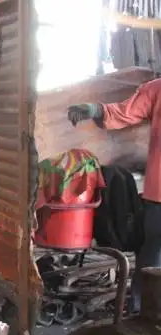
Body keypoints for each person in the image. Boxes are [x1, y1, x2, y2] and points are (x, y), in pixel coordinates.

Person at [68, 78, 161, 313]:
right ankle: (142, 313)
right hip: (158, 195)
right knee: (152, 258)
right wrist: (95, 109)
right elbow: (124, 112)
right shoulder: (156, 89)